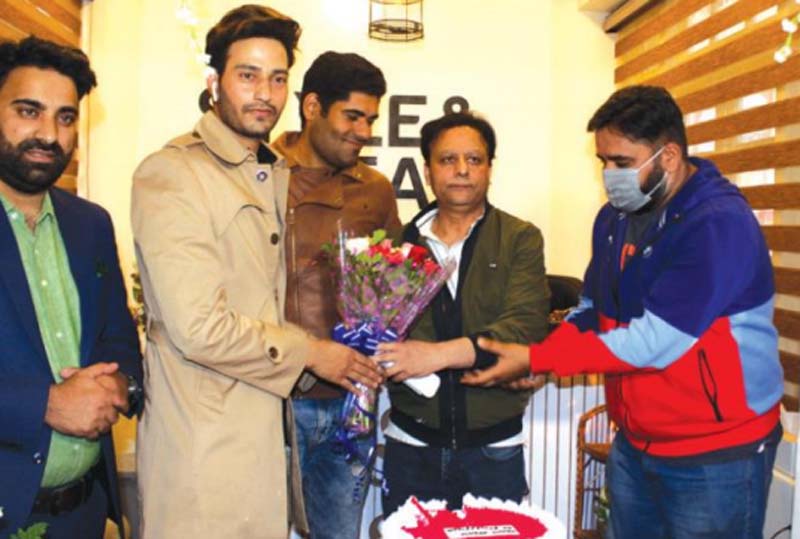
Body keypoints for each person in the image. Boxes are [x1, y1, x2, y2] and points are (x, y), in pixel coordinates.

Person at [463, 86, 784, 539]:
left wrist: (538, 358)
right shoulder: (614, 218)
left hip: (716, 455)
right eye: (603, 162)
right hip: (636, 444)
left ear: (669, 156)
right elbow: (592, 309)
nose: (609, 176)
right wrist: (546, 357)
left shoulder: (716, 223)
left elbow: (655, 342)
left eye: (621, 163)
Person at [131, 6, 381, 539]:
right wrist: (312, 352)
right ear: (214, 82)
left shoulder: (267, 172)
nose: (265, 93)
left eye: (278, 78)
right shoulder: (174, 173)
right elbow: (199, 327)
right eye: (248, 75)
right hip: (204, 446)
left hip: (266, 434)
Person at [0, 36, 142, 539]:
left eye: (65, 117)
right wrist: (44, 403)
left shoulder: (91, 224)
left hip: (83, 513)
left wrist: (120, 385)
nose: (48, 134)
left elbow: (119, 340)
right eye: (28, 111)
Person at [376, 112, 550, 516]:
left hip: (494, 449)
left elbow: (522, 328)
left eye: (474, 159)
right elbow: (382, 333)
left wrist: (435, 355)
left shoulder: (520, 238)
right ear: (427, 170)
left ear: (489, 168)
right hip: (411, 446)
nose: (461, 170)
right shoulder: (396, 247)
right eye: (447, 159)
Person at [272, 51, 400, 539]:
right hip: (275, 398)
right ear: (312, 107)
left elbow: (394, 285)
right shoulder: (261, 175)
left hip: (352, 403)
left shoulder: (376, 189)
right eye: (352, 116)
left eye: (370, 119)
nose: (363, 131)